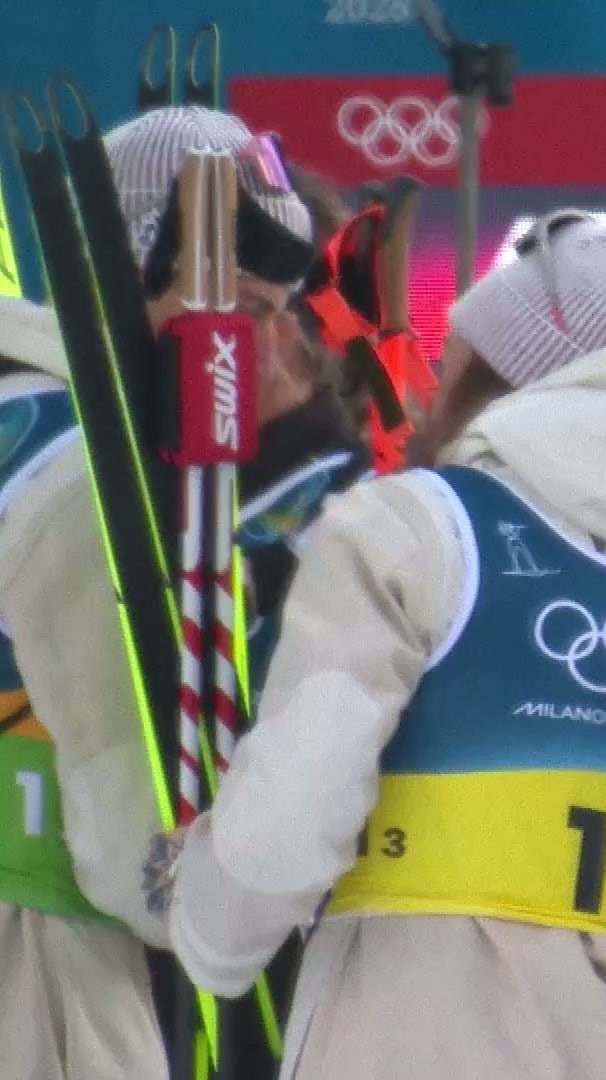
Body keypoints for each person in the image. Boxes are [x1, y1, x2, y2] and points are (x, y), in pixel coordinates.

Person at [146, 210, 606, 1080]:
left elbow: (292, 810)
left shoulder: (408, 533)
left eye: (451, 358)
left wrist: (206, 923)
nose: (429, 387)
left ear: (490, 368)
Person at [0, 104, 316, 1080]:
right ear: (136, 265)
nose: (262, 347)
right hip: (42, 954)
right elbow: (137, 859)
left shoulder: (30, 411)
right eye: (244, 306)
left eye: (279, 311)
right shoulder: (84, 480)